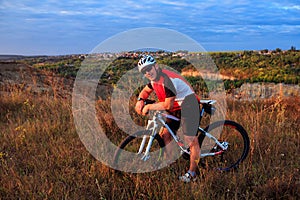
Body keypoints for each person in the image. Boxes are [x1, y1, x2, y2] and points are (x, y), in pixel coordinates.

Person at [135, 55, 200, 183]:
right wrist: (140, 100)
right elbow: (145, 91)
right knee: (165, 135)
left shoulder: (168, 80)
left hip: (189, 105)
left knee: (191, 140)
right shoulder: (154, 79)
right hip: (176, 107)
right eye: (144, 71)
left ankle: (193, 173)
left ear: (156, 66)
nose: (147, 72)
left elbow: (167, 105)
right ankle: (169, 163)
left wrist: (149, 106)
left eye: (149, 68)